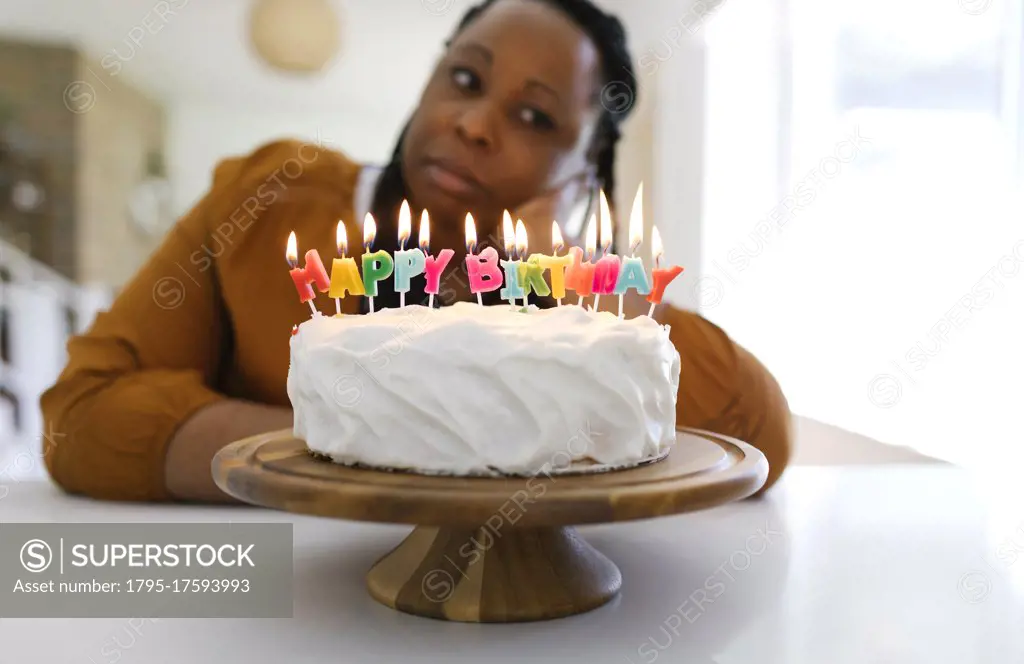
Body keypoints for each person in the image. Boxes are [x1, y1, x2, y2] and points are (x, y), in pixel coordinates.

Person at [40, 0, 792, 503]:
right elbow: (81, 416)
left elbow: (757, 434)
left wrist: (563, 270)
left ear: (584, 171)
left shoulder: (574, 296)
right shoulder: (270, 199)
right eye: (464, 77)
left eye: (534, 116)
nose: (473, 123)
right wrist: (366, 444)